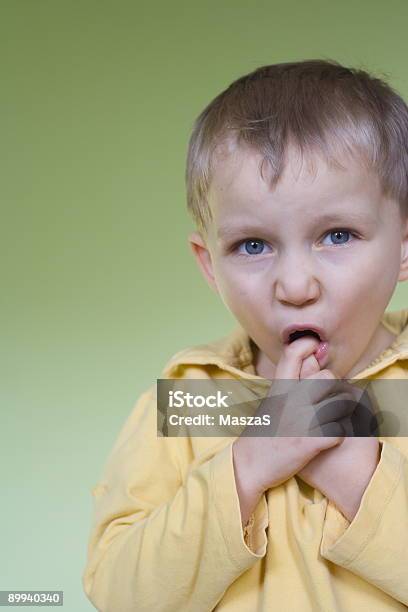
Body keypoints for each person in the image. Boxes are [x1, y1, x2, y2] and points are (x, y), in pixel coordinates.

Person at [82, 59, 408, 611]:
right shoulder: (189, 401)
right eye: (253, 245)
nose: (296, 285)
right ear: (211, 266)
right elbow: (121, 595)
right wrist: (248, 463)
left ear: (403, 245)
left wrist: (356, 474)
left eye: (337, 234)